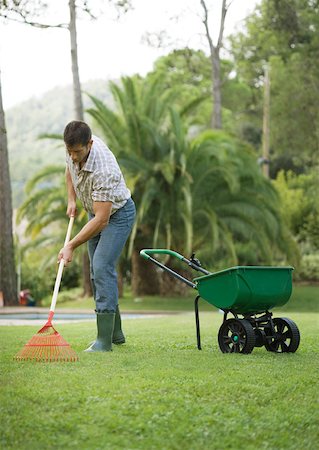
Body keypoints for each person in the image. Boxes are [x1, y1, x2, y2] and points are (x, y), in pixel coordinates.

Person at [58, 120, 136, 352]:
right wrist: (72, 200)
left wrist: (70, 245)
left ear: (89, 144)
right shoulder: (74, 151)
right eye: (69, 152)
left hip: (117, 215)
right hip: (96, 212)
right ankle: (115, 333)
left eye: (77, 152)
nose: (73, 157)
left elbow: (102, 219)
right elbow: (69, 172)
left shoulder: (104, 169)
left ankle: (104, 342)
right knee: (96, 273)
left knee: (102, 267)